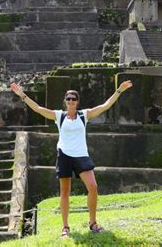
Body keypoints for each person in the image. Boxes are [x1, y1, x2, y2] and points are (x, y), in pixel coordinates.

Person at [11, 80, 133, 237]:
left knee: (93, 187)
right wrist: (22, 95)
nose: (70, 101)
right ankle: (65, 227)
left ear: (77, 102)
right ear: (65, 101)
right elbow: (39, 109)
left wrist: (119, 91)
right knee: (65, 192)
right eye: (68, 99)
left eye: (73, 99)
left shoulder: (84, 115)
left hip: (81, 155)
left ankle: (93, 222)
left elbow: (105, 106)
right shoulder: (59, 116)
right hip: (64, 155)